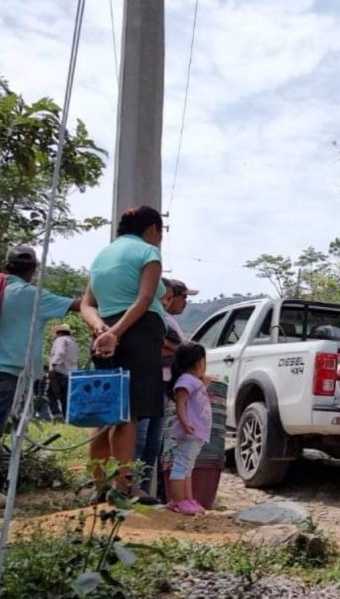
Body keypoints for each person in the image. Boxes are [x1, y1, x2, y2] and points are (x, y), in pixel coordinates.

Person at [80, 206, 166, 502]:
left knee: (107, 410)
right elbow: (144, 299)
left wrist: (101, 328)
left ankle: (99, 483)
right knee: (127, 414)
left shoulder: (102, 256)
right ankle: (122, 486)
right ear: (153, 229)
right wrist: (116, 333)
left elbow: (86, 304)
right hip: (137, 334)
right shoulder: (148, 253)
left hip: (102, 335)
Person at [0, 245, 80, 431]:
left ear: (6, 265)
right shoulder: (33, 295)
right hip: (9, 371)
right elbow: (77, 305)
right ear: (34, 268)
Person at [135, 277, 195, 497]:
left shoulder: (165, 319)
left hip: (160, 385)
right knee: (141, 439)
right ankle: (134, 487)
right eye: (166, 297)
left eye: (170, 298)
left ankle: (143, 490)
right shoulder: (152, 318)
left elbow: (174, 347)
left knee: (153, 440)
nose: (168, 302)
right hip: (147, 384)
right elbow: (168, 345)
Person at [166, 342, 212, 516]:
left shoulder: (193, 381)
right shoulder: (186, 381)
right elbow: (181, 403)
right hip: (190, 431)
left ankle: (187, 498)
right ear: (200, 362)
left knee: (188, 466)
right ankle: (178, 500)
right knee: (182, 464)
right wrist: (185, 422)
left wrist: (203, 384)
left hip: (196, 432)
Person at [47, 323, 79, 420]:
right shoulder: (73, 343)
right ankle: (67, 417)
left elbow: (60, 353)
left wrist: (53, 365)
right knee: (66, 397)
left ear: (59, 333)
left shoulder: (60, 340)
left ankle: (56, 414)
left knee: (49, 393)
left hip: (60, 372)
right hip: (71, 373)